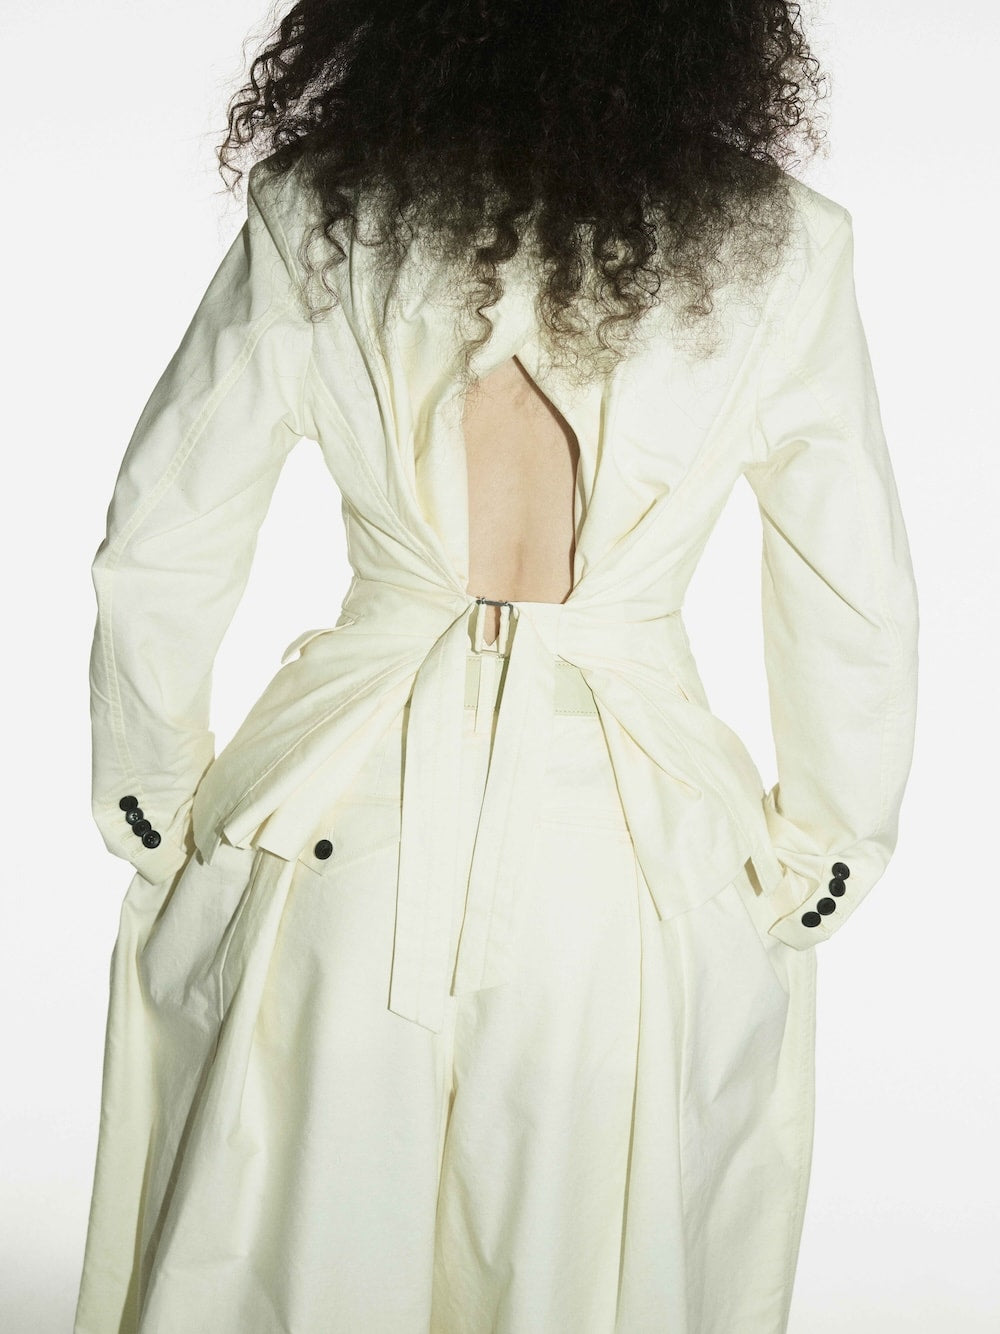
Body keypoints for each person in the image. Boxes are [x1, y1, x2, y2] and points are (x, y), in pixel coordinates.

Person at [73, 2, 919, 1331]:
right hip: (626, 868)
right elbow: (850, 591)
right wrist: (826, 845)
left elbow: (164, 530)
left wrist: (157, 794)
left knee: (295, 1263)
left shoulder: (321, 213)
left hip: (339, 832)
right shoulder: (782, 243)